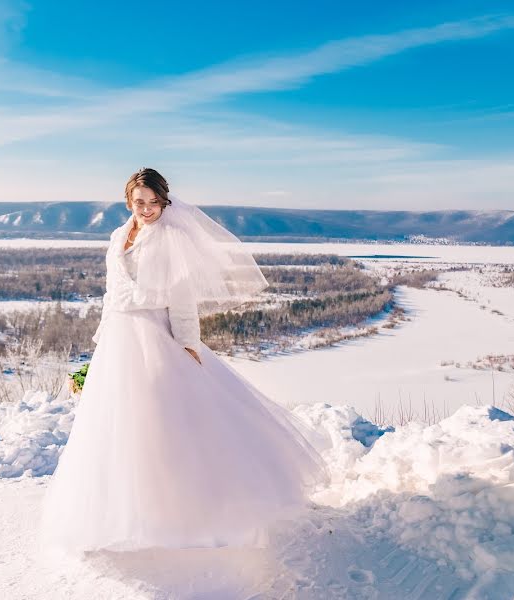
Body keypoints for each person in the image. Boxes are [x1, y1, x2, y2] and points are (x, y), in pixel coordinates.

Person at [39, 168, 326, 554]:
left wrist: (188, 343)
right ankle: (125, 510)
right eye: (139, 202)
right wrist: (101, 338)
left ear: (164, 201)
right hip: (119, 339)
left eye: (153, 202)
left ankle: (185, 509)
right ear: (129, 201)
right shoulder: (118, 235)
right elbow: (113, 293)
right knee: (117, 424)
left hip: (155, 334)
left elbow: (181, 295)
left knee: (164, 418)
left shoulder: (171, 238)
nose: (146, 209)